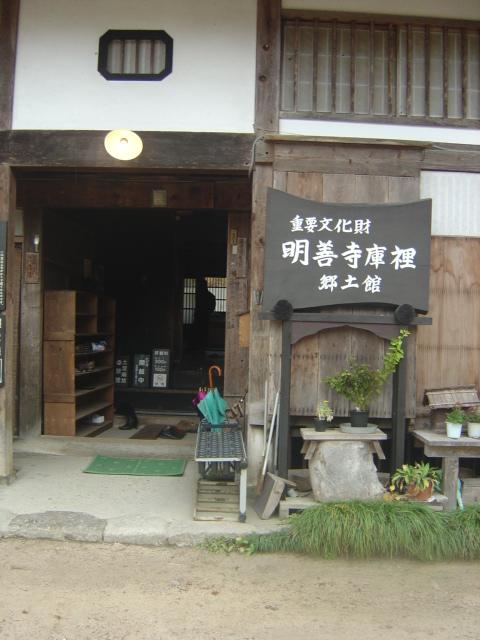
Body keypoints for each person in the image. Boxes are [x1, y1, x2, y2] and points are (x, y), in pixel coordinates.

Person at [193, 278, 216, 352]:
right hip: (205, 317)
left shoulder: (198, 295)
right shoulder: (211, 296)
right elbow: (212, 308)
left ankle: (198, 349)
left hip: (199, 316)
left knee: (198, 333)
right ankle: (202, 349)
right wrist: (208, 313)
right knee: (204, 333)